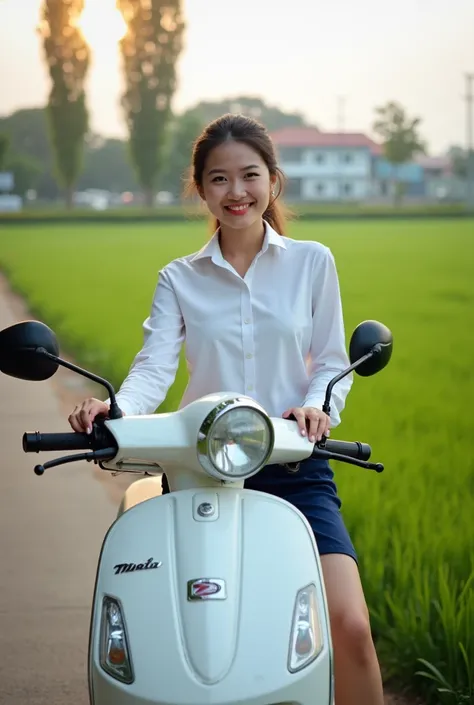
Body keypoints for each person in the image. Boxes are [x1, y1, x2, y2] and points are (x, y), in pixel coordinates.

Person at [68, 114, 384, 705]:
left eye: (249, 176)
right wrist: (111, 410)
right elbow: (155, 368)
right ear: (201, 188)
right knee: (188, 639)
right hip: (195, 474)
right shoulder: (179, 279)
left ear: (273, 181)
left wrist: (317, 408)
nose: (236, 192)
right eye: (219, 179)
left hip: (294, 467)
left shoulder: (312, 262)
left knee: (350, 625)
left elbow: (330, 360)